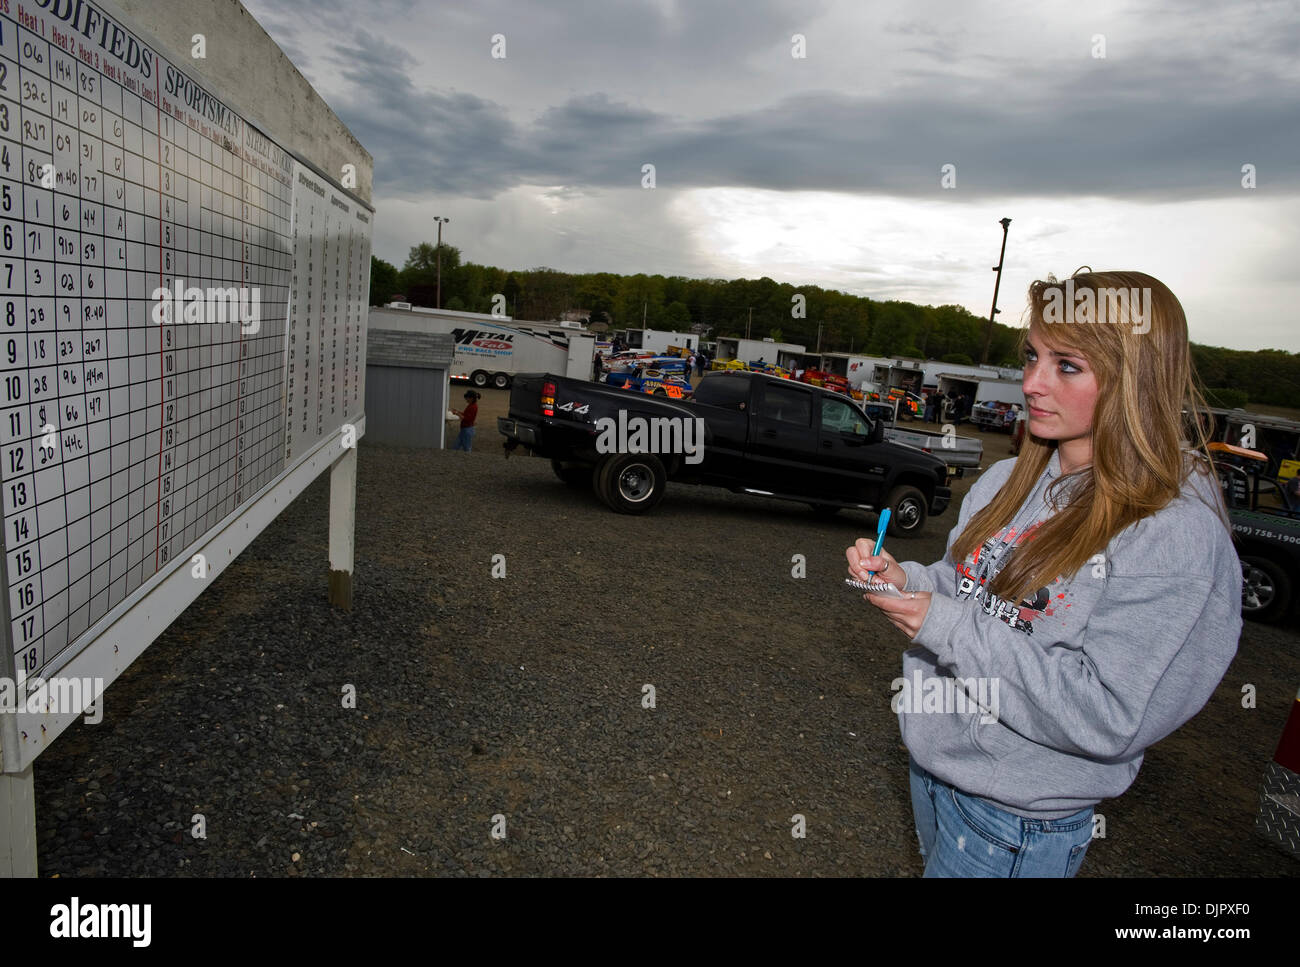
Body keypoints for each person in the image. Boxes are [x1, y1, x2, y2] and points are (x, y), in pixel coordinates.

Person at [846, 269, 1241, 878]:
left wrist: (941, 624)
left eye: (1067, 366)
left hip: (1017, 821)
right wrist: (910, 583)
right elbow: (970, 587)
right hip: (936, 773)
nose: (1031, 383)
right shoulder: (1011, 480)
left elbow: (1109, 715)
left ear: (1136, 380)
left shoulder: (1170, 534)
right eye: (1031, 356)